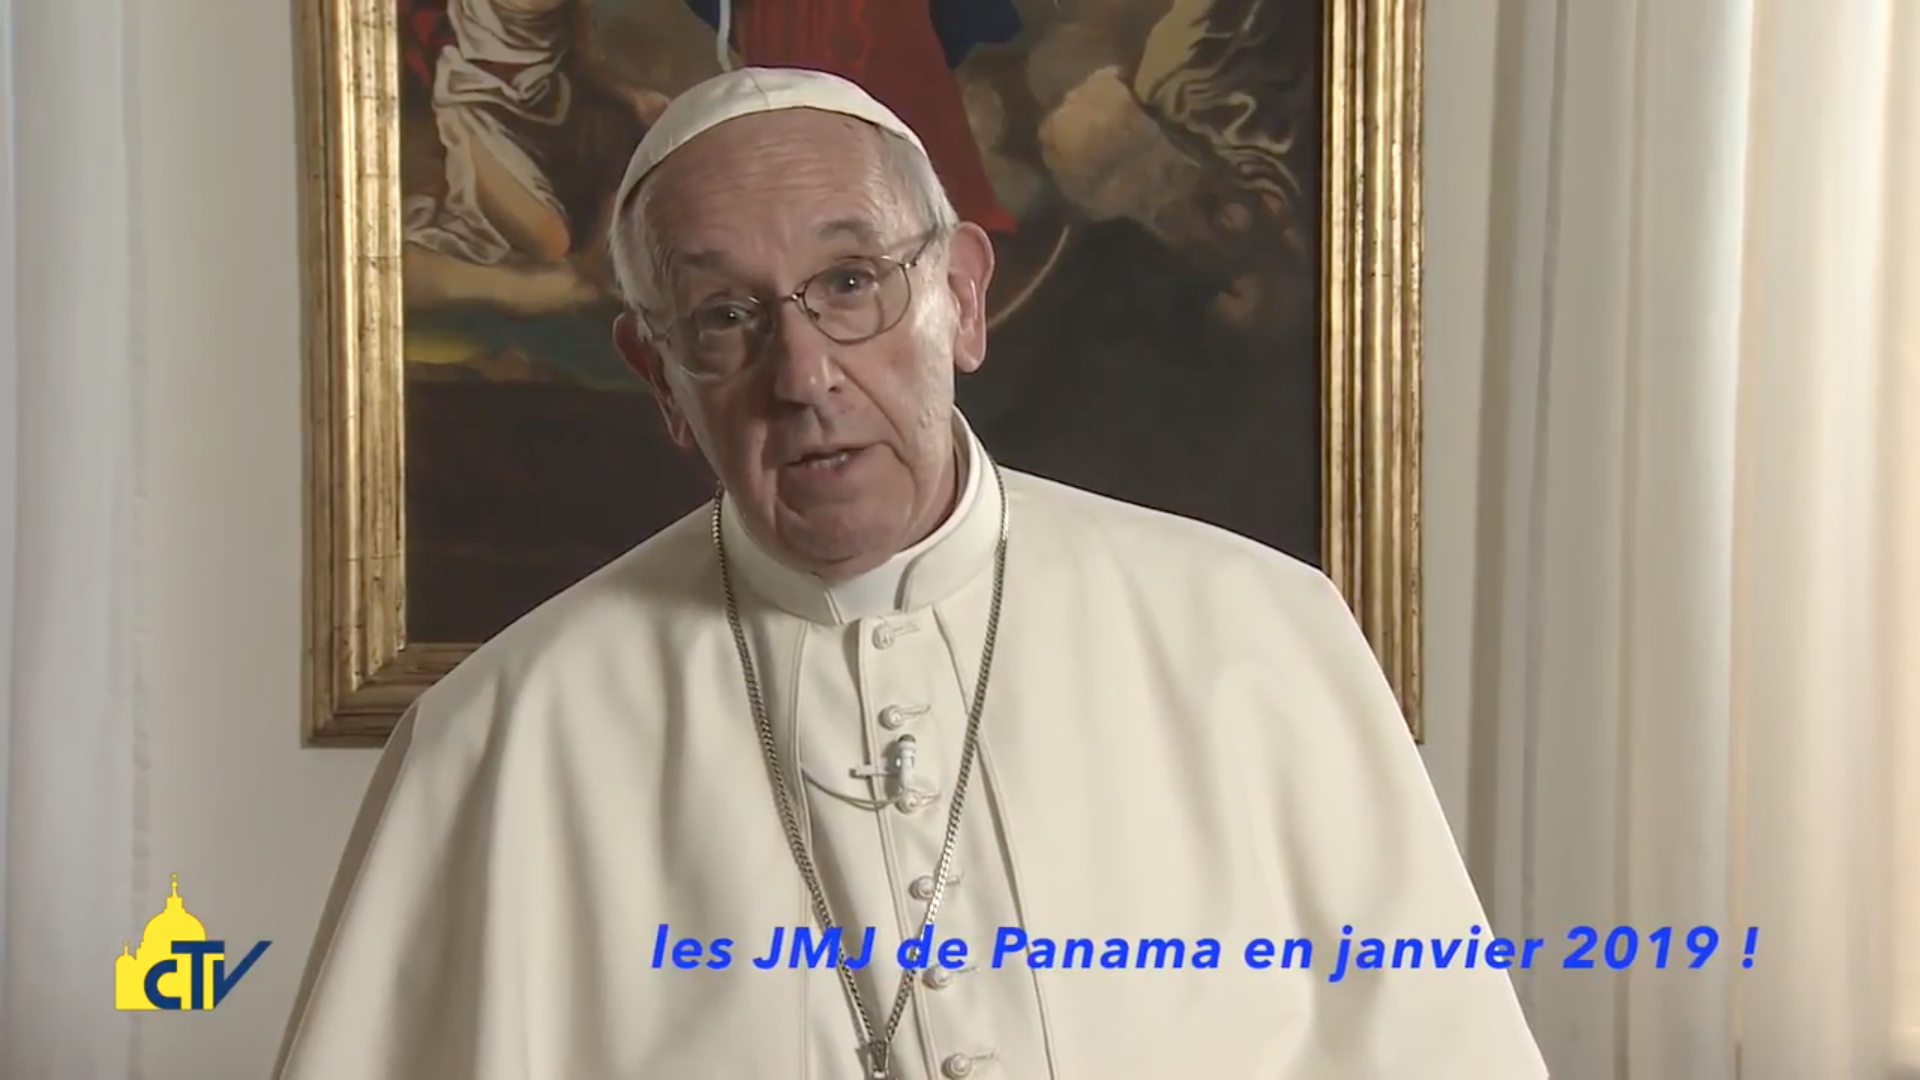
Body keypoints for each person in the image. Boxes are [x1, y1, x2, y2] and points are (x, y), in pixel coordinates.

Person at [274, 67, 1548, 1080]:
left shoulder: (1263, 637)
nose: (804, 375)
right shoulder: (500, 736)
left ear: (963, 300)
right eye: (724, 318)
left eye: (850, 284)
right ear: (658, 377)